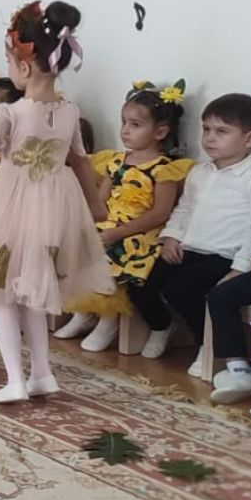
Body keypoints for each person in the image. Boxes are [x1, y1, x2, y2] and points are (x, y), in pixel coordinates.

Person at [0, 0, 108, 403]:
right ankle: (42, 374)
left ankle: (15, 379)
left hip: (9, 209)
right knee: (31, 293)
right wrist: (96, 206)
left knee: (0, 293)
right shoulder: (69, 111)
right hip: (53, 209)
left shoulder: (10, 114)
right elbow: (81, 162)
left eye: (9, 62)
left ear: (25, 67)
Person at [126, 90, 251, 382]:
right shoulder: (198, 173)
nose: (210, 138)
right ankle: (161, 326)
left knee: (181, 290)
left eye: (221, 131)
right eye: (206, 129)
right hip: (188, 248)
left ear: (249, 139)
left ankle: (207, 343)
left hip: (222, 256)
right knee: (139, 282)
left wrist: (239, 268)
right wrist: (170, 237)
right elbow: (184, 209)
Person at [62, 80, 190, 353]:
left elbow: (160, 213)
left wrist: (118, 232)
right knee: (76, 246)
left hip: (141, 233)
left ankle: (113, 320)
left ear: (160, 131)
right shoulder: (116, 162)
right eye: (123, 122)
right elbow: (101, 202)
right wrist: (90, 225)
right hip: (112, 225)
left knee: (114, 258)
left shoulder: (163, 169)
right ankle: (84, 312)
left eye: (135, 124)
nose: (125, 130)